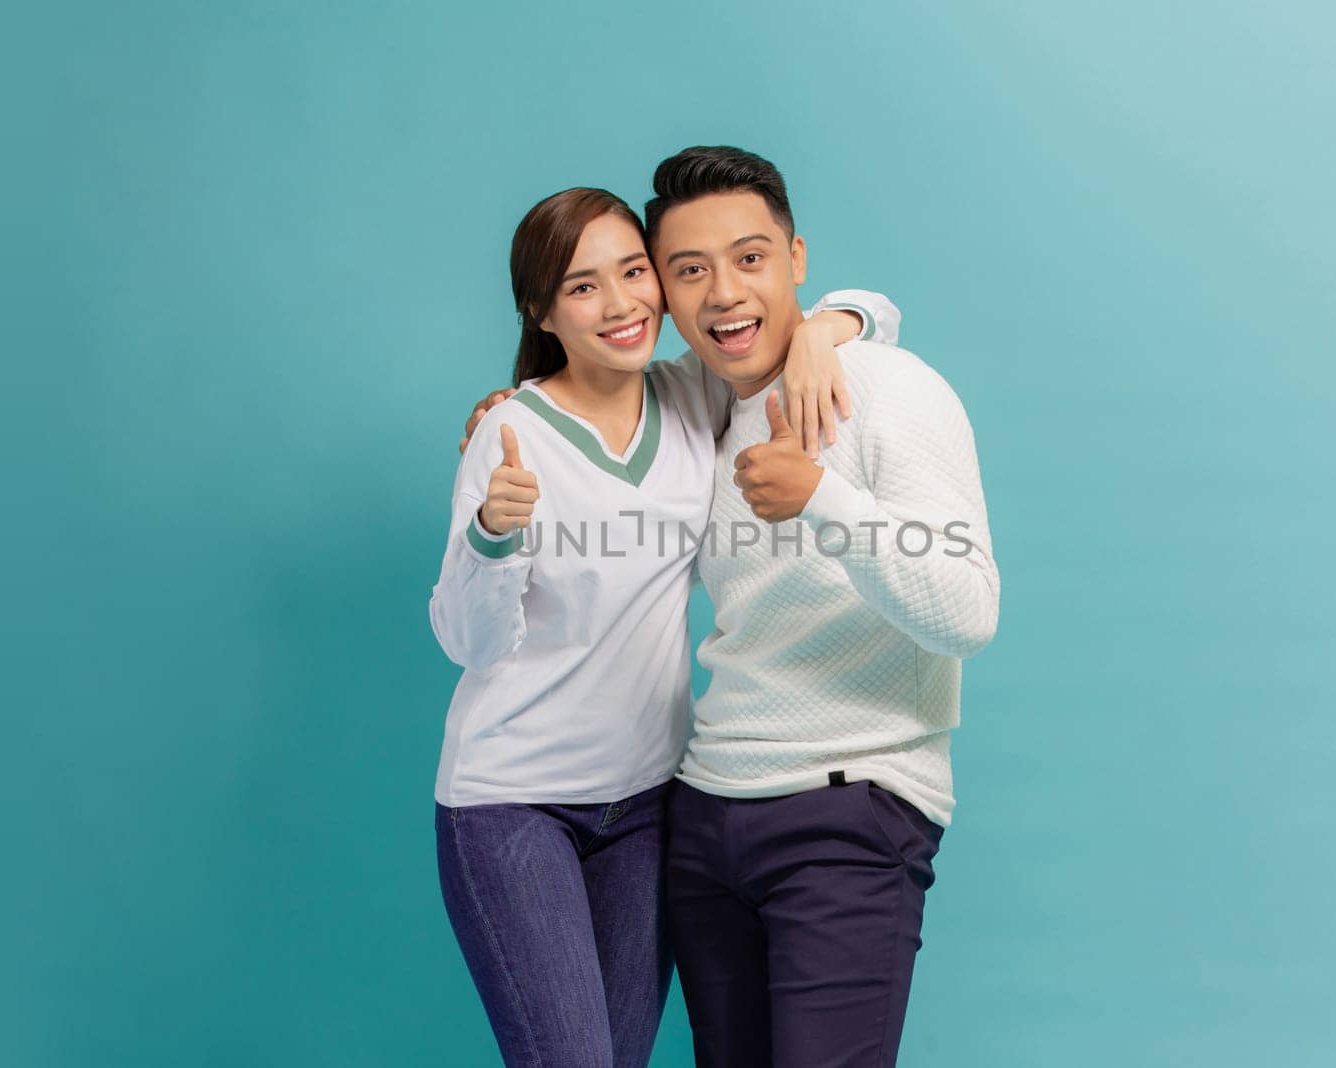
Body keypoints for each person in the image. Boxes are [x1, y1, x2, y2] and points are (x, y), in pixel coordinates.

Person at [429, 184, 899, 1068]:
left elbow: (871, 307)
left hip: (648, 805)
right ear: (542, 310)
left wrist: (823, 337)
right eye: (581, 287)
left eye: (634, 272)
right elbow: (469, 643)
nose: (621, 305)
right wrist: (495, 536)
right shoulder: (512, 435)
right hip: (513, 803)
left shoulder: (692, 399)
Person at [640, 146, 1000, 1068]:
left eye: (751, 259)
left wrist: (823, 501)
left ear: (796, 259)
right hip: (704, 814)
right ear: (665, 296)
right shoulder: (691, 409)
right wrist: (505, 422)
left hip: (849, 810)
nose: (724, 292)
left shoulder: (889, 389)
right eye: (691, 270)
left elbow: (966, 610)